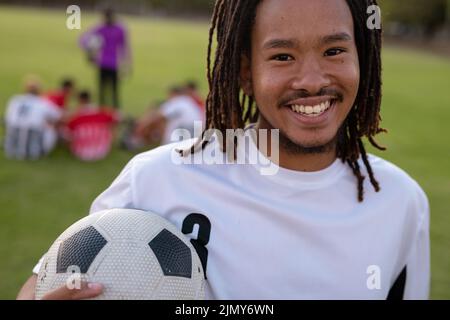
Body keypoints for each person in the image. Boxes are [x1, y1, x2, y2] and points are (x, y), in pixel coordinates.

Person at [18, 0, 429, 300]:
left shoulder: (400, 202)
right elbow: (46, 282)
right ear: (246, 75)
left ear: (364, 59)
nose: (310, 80)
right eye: (282, 56)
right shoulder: (160, 177)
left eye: (334, 51)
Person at [79, 8, 131, 109]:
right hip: (104, 63)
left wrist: (126, 64)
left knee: (113, 90)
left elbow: (124, 46)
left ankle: (113, 111)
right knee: (105, 90)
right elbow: (84, 40)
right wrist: (90, 53)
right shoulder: (102, 28)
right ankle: (105, 111)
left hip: (111, 63)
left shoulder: (116, 28)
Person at [4, 75, 62, 160]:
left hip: (13, 129)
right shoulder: (42, 102)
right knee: (50, 127)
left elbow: (8, 118)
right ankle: (42, 150)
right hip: (32, 131)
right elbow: (58, 116)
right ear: (39, 91)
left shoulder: (15, 99)